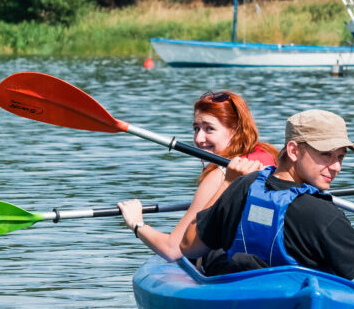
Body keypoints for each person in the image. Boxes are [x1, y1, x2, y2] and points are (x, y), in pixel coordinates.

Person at [180, 109, 354, 288]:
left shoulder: (243, 185)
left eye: (340, 156)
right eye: (325, 154)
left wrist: (226, 184)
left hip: (241, 300)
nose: (336, 167)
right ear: (294, 150)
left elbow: (189, 246)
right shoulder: (322, 215)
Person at [117, 91, 277, 261]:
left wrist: (137, 224)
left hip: (231, 267)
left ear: (237, 129)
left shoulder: (219, 176)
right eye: (196, 128)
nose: (199, 139)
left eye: (210, 129)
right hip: (271, 258)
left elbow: (172, 250)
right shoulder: (270, 155)